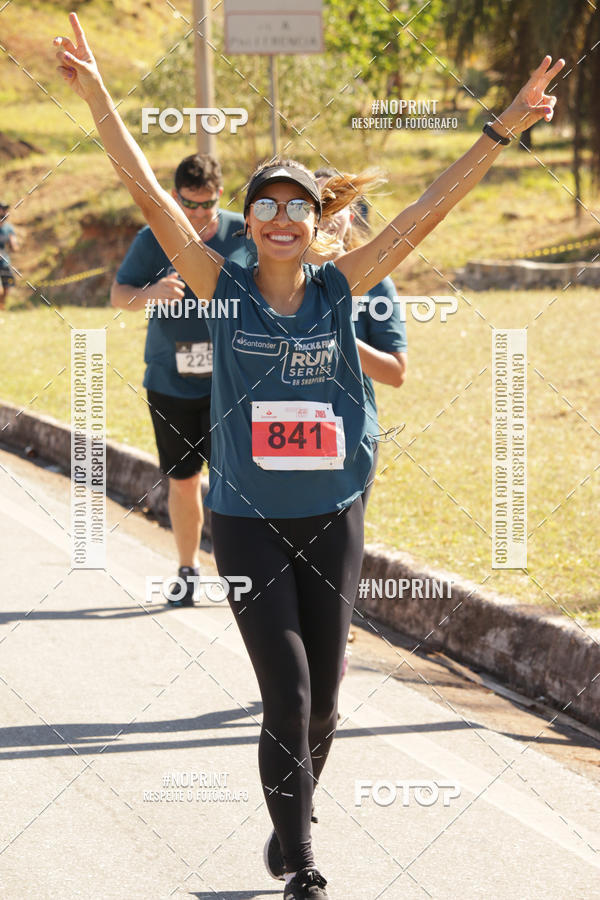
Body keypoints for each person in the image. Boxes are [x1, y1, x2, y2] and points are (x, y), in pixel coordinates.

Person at [54, 15, 562, 897]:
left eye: (298, 205)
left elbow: (426, 211)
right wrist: (98, 91)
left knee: (326, 705)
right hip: (247, 522)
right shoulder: (223, 286)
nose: (283, 217)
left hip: (333, 515)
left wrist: (499, 132)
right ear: (247, 224)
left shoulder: (341, 288)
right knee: (285, 696)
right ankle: (305, 864)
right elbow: (144, 189)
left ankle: (287, 813)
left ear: (314, 221)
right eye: (266, 205)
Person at [110, 154, 251, 607]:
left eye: (207, 204)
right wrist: (149, 294)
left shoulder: (242, 234)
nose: (197, 215)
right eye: (189, 205)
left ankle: (244, 577)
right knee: (185, 480)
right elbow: (119, 294)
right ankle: (188, 570)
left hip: (232, 383)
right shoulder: (155, 237)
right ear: (174, 198)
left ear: (220, 195)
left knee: (237, 481)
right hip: (171, 382)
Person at [0, 202, 19, 310]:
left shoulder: (8, 228)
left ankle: (2, 305)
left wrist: (14, 244)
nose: (5, 212)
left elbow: (14, 245)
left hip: (4, 261)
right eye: (2, 209)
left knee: (7, 286)